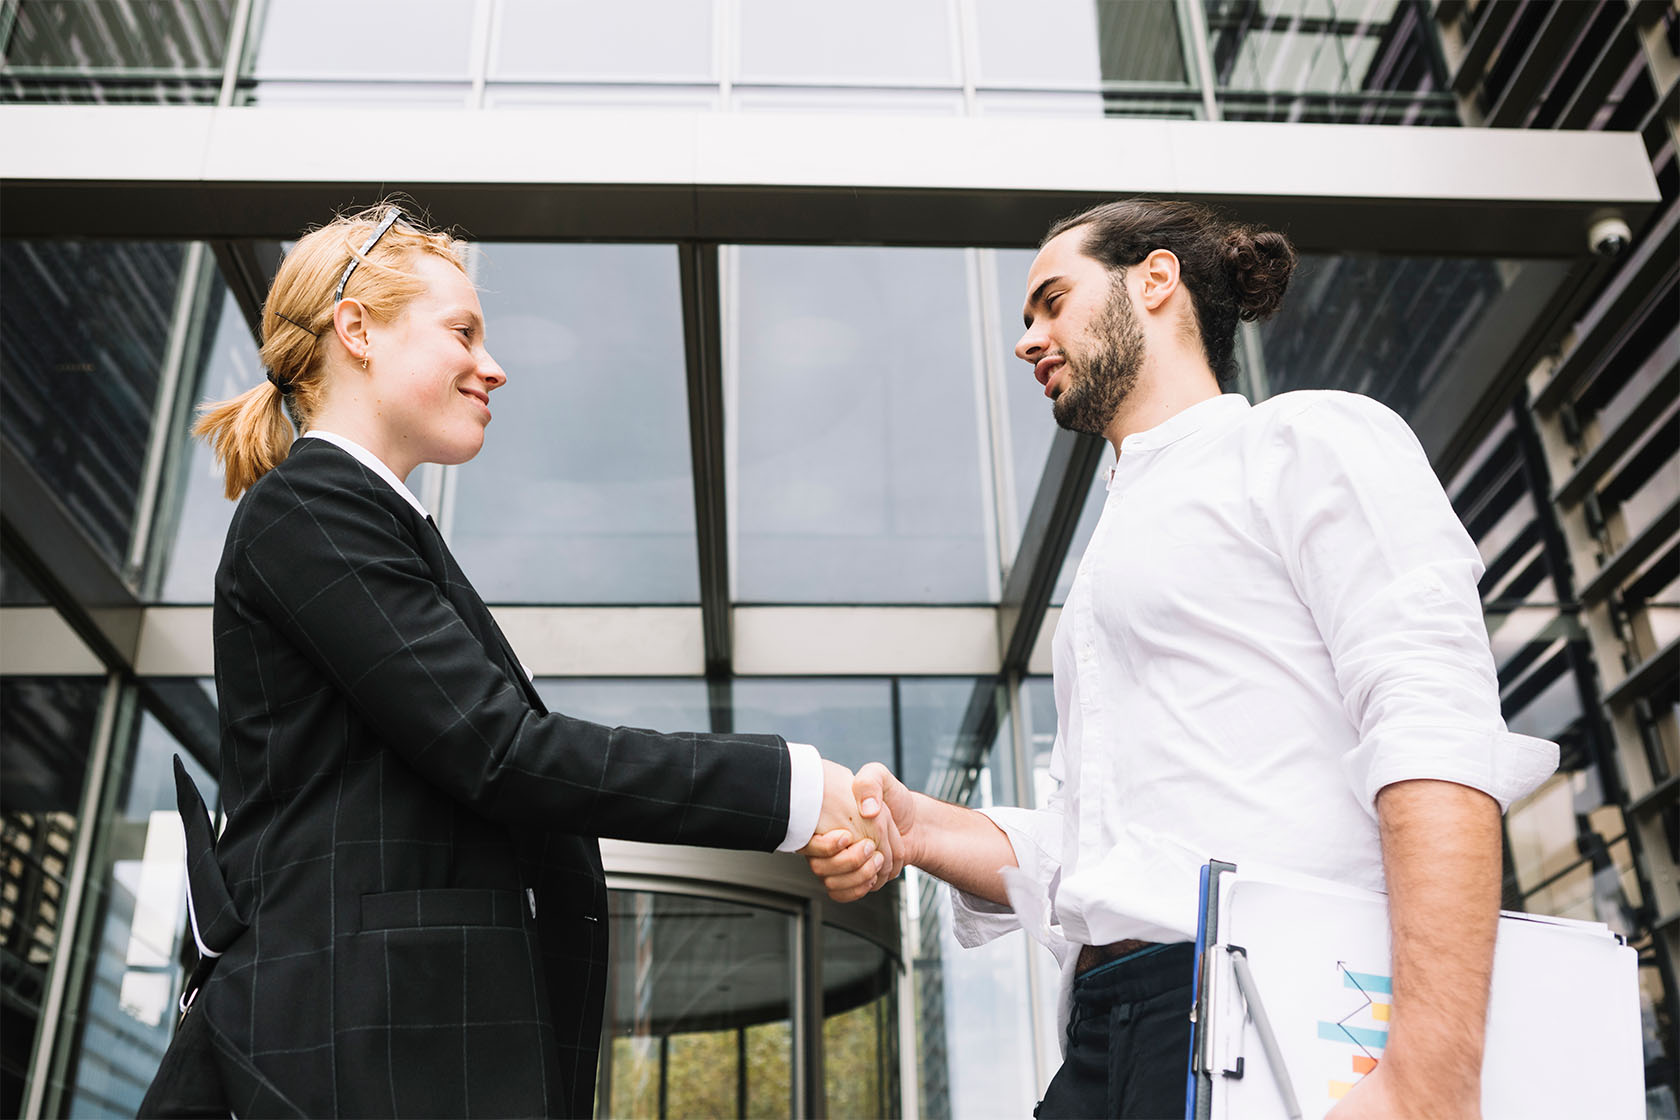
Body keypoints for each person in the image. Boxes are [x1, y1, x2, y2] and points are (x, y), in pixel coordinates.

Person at [805, 198, 1558, 1119]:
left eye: (1051, 301)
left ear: (1154, 279)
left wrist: (1432, 1077)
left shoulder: (1306, 441)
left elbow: (1432, 725)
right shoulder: (1105, 566)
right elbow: (1095, 854)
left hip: (1266, 1001)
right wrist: (916, 827)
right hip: (1105, 1035)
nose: (1027, 339)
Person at [139, 203, 889, 1119]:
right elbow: (499, 751)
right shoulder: (313, 509)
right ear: (357, 331)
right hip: (353, 1052)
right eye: (462, 331)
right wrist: (797, 792)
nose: (492, 366)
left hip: (384, 1047)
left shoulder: (361, 520)